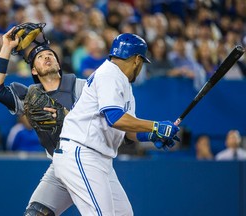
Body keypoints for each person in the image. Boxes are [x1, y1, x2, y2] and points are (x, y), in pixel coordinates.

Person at [53, 33, 180, 215]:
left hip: (99, 158)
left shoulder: (123, 83)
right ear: (137, 60)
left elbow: (129, 132)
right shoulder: (110, 73)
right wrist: (155, 126)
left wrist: (153, 135)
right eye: (142, 62)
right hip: (82, 152)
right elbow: (115, 118)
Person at [0, 26, 86, 215]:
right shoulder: (32, 97)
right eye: (40, 57)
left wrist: (68, 116)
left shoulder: (81, 86)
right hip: (59, 168)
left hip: (88, 162)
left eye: (50, 55)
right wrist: (6, 47)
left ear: (58, 64)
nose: (46, 57)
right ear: (33, 69)